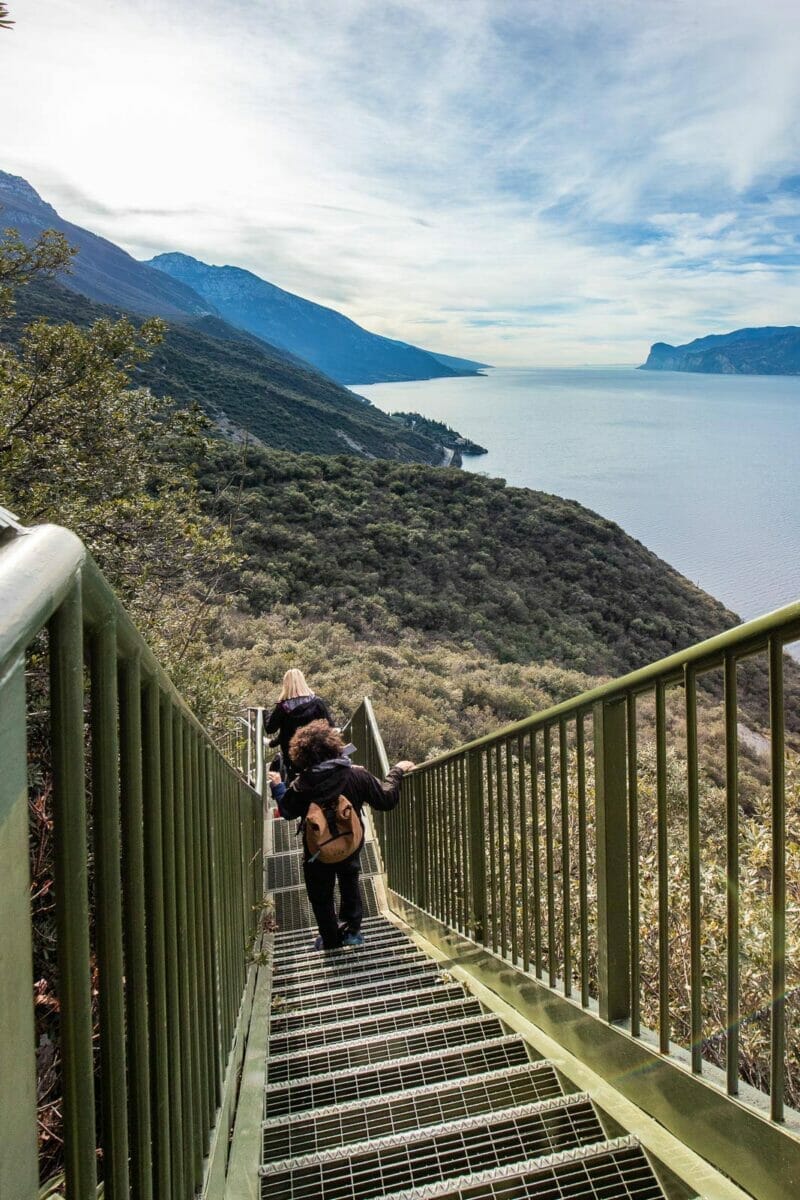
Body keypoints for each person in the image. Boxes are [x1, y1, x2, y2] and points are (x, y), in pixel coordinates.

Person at [269, 719, 414, 949]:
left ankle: (330, 940)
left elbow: (286, 811)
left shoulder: (301, 784)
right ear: (334, 745)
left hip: (317, 851)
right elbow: (386, 799)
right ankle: (353, 932)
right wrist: (396, 771)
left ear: (301, 754)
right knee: (350, 882)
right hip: (350, 843)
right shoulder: (356, 775)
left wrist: (278, 786)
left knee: (320, 895)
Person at [265, 668, 334, 781]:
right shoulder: (317, 703)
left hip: (293, 757)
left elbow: (270, 729)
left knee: (295, 782)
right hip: (317, 754)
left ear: (286, 685)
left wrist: (264, 714)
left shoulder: (283, 707)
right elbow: (330, 727)